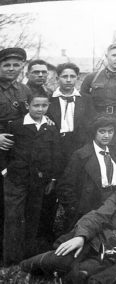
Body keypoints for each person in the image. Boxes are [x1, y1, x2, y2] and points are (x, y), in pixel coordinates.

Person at [20, 167, 116, 284]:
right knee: (60, 261)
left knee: (79, 276)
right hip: (91, 242)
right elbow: (97, 216)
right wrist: (81, 237)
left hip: (110, 257)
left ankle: (62, 274)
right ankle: (25, 266)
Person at [3, 91, 62, 265]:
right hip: (16, 179)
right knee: (13, 218)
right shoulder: (16, 125)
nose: (40, 109)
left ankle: (27, 258)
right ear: (27, 106)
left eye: (44, 106)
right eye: (36, 105)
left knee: (33, 217)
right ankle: (11, 259)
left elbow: (55, 154)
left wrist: (52, 179)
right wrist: (5, 171)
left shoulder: (50, 127)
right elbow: (4, 150)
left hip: (38, 181)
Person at [56, 115, 116, 232]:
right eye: (102, 132)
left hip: (112, 205)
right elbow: (65, 186)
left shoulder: (115, 154)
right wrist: (75, 208)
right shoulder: (81, 155)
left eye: (110, 132)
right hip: (88, 206)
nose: (106, 136)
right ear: (94, 132)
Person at [0, 47, 31, 259]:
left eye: (16, 65)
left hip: (16, 153)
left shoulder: (23, 90)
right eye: (6, 65)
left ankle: (10, 255)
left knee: (13, 205)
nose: (12, 68)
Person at [80, 43, 116, 136]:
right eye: (114, 55)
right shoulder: (91, 78)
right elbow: (83, 103)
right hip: (96, 124)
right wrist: (92, 121)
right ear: (107, 56)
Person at [47, 62, 94, 168]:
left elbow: (91, 124)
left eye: (72, 76)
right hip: (55, 146)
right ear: (57, 78)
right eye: (64, 76)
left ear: (77, 78)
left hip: (79, 145)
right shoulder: (49, 99)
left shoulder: (86, 99)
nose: (68, 80)